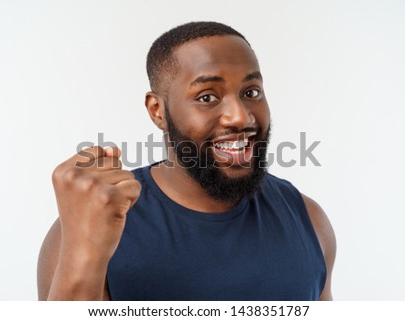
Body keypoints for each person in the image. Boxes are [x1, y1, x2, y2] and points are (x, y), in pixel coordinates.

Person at [37, 21, 336, 301]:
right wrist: (84, 254)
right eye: (207, 97)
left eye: (251, 92)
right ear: (157, 111)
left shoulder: (309, 220)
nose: (241, 117)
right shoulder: (90, 224)